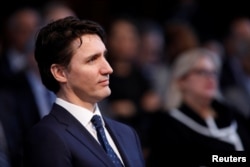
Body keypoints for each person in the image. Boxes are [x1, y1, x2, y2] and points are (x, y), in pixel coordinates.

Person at [23, 16, 145, 167]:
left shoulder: (127, 134)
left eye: (104, 56)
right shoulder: (47, 136)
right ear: (60, 72)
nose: (108, 69)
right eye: (92, 60)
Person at [147, 47, 250, 167]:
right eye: (202, 72)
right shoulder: (167, 124)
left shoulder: (233, 115)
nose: (210, 79)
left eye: (213, 73)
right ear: (181, 81)